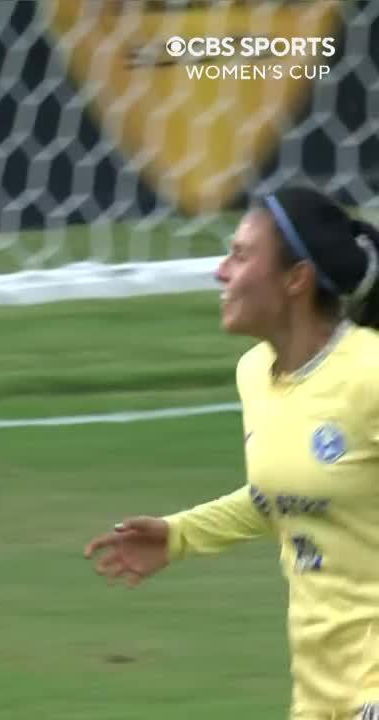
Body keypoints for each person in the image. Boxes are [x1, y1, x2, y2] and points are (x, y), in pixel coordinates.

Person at [83, 186, 379, 720]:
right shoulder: (254, 376)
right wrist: (180, 534)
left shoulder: (370, 375)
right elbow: (290, 493)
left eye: (241, 256)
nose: (221, 272)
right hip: (319, 693)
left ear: (297, 280)